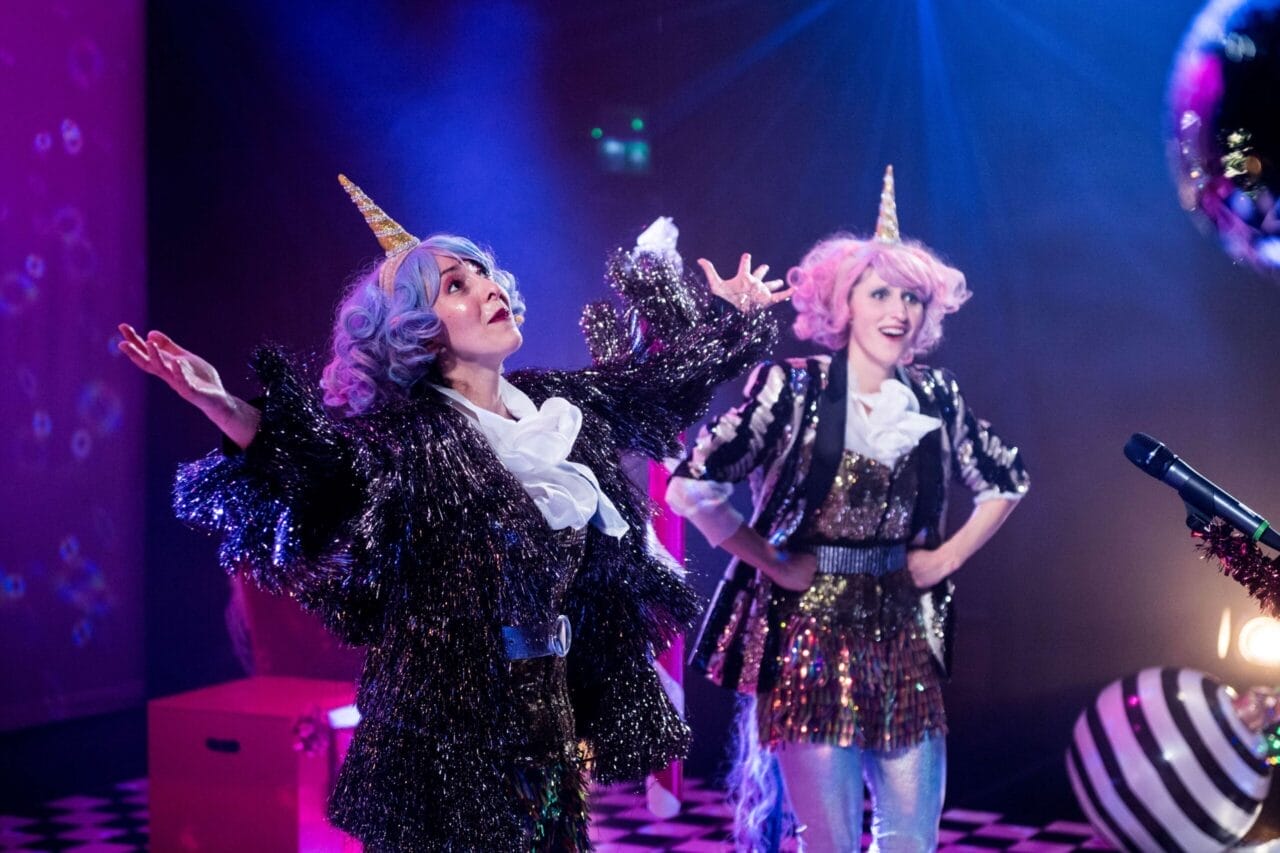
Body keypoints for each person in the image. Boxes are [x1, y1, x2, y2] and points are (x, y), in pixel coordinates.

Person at [119, 176, 783, 851]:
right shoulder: (404, 435)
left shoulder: (553, 408)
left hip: (544, 718)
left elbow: (654, 389)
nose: (489, 288)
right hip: (441, 733)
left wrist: (728, 317)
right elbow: (327, 474)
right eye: (457, 286)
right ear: (420, 333)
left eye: (485, 274)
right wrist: (228, 409)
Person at [667, 166, 1030, 852]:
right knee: (827, 839)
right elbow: (690, 486)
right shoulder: (792, 387)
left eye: (913, 297)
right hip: (805, 637)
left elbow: (1005, 478)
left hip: (900, 634)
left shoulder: (935, 396)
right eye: (881, 292)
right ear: (845, 303)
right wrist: (768, 557)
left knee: (912, 839)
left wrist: (945, 557)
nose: (898, 310)